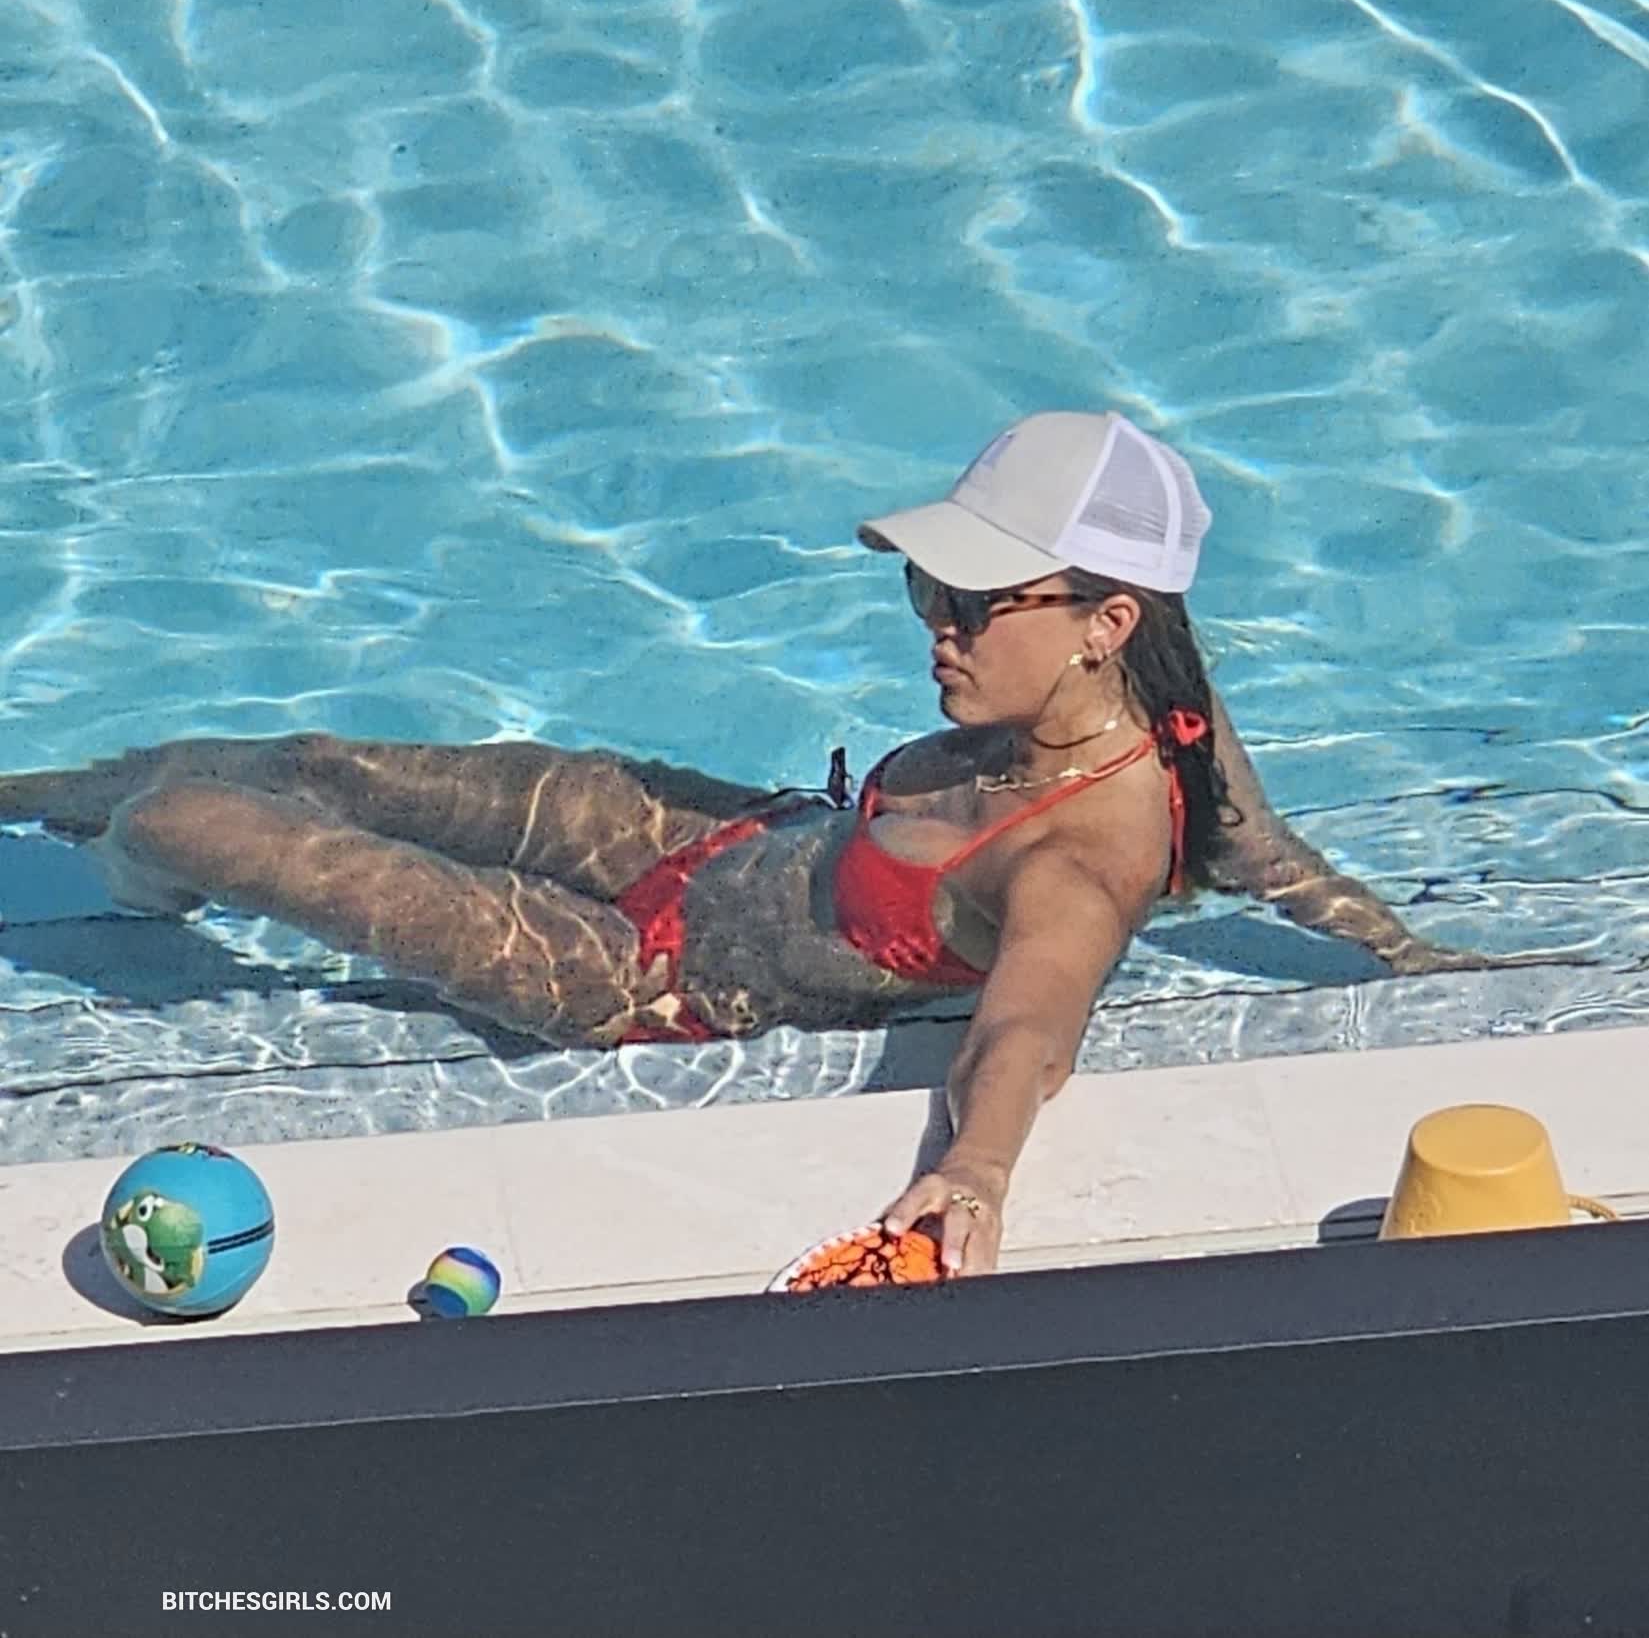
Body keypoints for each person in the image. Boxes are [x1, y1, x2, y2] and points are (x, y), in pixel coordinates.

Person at [0, 412, 1504, 1273]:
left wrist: (974, 1176)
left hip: (635, 971)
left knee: (186, 823)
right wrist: (1404, 952)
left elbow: (1028, 1030)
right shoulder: (1168, 704)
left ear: (1103, 622)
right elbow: (1265, 855)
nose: (934, 627)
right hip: (721, 832)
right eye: (926, 589)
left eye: (971, 605)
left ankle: (133, 871)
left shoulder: (1076, 863)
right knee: (324, 765)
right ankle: (26, 790)